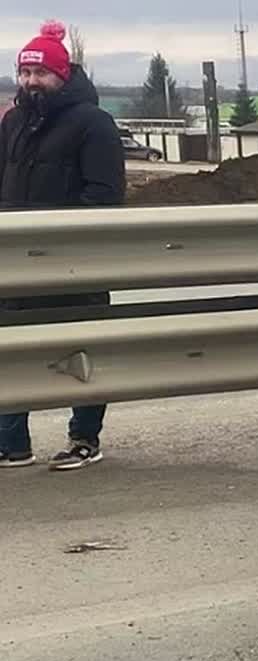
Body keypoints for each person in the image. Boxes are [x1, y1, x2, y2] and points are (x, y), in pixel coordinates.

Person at [0, 20, 125, 471]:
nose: (32, 82)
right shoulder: (13, 122)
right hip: (16, 263)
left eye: (41, 74)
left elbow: (105, 194)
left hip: (75, 263)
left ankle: (84, 438)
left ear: (62, 75)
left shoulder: (94, 123)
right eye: (25, 73)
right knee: (10, 350)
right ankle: (11, 444)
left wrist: (58, 236)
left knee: (80, 351)